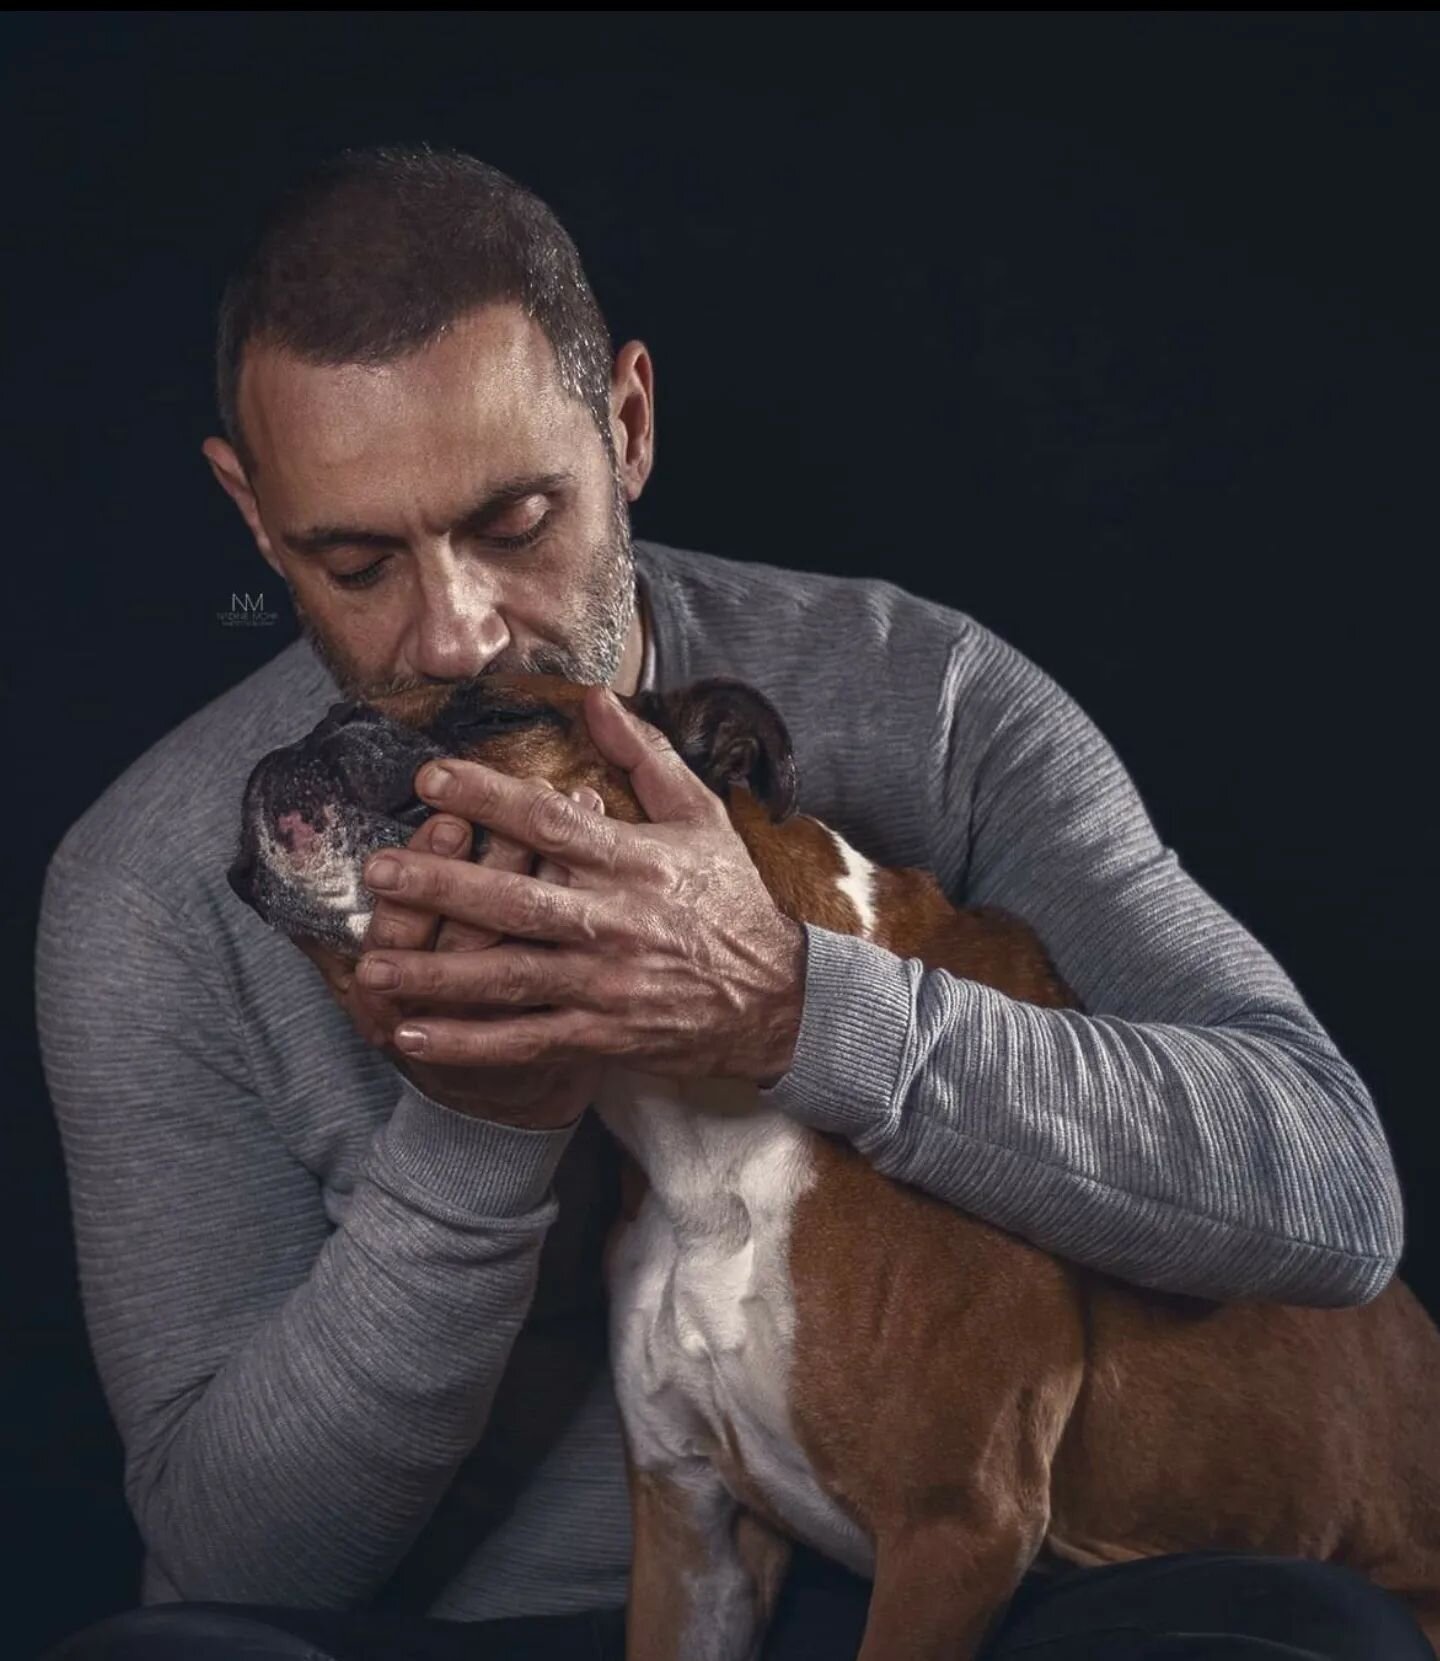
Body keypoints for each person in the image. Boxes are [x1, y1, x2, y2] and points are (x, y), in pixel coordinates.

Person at [35, 146, 1426, 1661]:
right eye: (354, 560)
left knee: (1300, 1636)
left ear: (626, 423)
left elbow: (1333, 1194)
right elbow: (233, 1545)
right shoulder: (159, 882)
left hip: (986, 1593)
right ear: (251, 513)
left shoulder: (931, 701)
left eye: (515, 521)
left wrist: (795, 1004)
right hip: (493, 1632)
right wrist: (479, 1124)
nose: (453, 631)